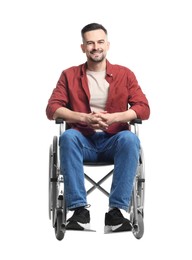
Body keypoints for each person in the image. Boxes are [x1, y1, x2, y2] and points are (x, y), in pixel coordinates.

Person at [46, 23, 150, 232]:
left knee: (131, 139)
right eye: (90, 43)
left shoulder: (125, 74)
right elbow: (52, 108)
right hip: (82, 142)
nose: (96, 47)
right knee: (68, 137)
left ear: (107, 45)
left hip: (115, 142)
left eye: (100, 42)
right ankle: (79, 211)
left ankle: (116, 213)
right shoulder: (69, 75)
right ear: (83, 47)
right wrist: (84, 118)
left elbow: (143, 108)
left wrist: (117, 117)